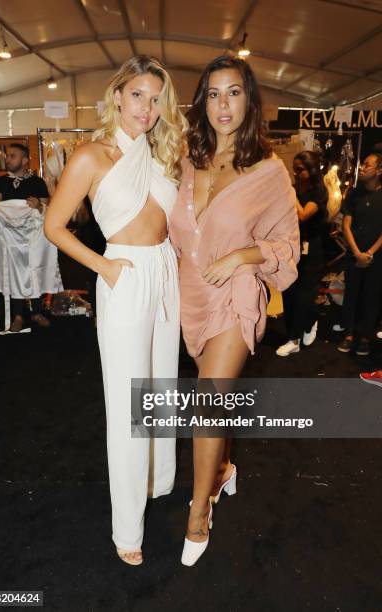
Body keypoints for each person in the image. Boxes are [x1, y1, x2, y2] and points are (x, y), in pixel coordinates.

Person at [44, 55, 186, 566]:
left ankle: (155, 480)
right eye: (137, 96)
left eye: (155, 98)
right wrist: (104, 267)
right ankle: (127, 526)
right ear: (118, 97)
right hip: (122, 274)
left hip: (165, 271)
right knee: (129, 401)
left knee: (162, 386)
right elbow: (54, 226)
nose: (146, 107)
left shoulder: (164, 152)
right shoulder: (91, 155)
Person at [169, 55, 300, 566]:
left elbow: (287, 243)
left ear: (249, 101)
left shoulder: (268, 171)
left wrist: (243, 255)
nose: (223, 104)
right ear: (202, 100)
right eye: (214, 94)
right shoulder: (183, 158)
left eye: (234, 93)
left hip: (237, 293)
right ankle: (223, 469)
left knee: (207, 403)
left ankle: (199, 511)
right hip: (190, 297)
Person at [0, 144, 53, 332]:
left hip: (33, 238)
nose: (7, 159)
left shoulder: (38, 182)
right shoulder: (1, 183)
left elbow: (48, 211)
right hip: (10, 240)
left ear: (25, 160)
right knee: (14, 275)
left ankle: (36, 312)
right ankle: (18, 315)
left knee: (35, 272)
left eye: (12, 156)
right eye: (7, 156)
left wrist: (39, 207)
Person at [276, 151, 329, 356]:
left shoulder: (319, 191)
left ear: (312, 170)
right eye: (294, 169)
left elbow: (303, 215)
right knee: (288, 292)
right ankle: (299, 328)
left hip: (312, 250)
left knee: (303, 296)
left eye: (300, 170)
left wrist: (290, 193)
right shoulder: (294, 188)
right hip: (290, 247)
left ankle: (295, 339)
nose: (295, 173)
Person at [337, 153, 382, 356]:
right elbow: (346, 224)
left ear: (379, 170)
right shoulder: (353, 193)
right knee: (351, 294)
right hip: (354, 255)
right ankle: (348, 334)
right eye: (362, 164)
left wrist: (370, 254)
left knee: (371, 296)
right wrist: (357, 253)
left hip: (377, 257)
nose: (362, 168)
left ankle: (365, 337)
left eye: (367, 165)